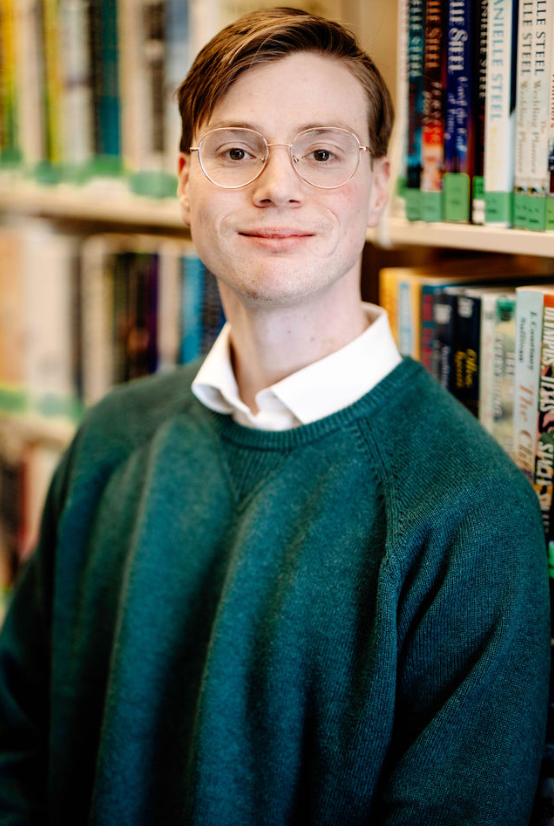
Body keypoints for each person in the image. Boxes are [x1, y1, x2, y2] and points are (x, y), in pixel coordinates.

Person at [0, 7, 550, 825]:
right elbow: (15, 749)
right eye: (236, 150)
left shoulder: (467, 515)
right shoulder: (111, 441)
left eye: (323, 152)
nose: (277, 184)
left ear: (378, 193)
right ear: (186, 184)